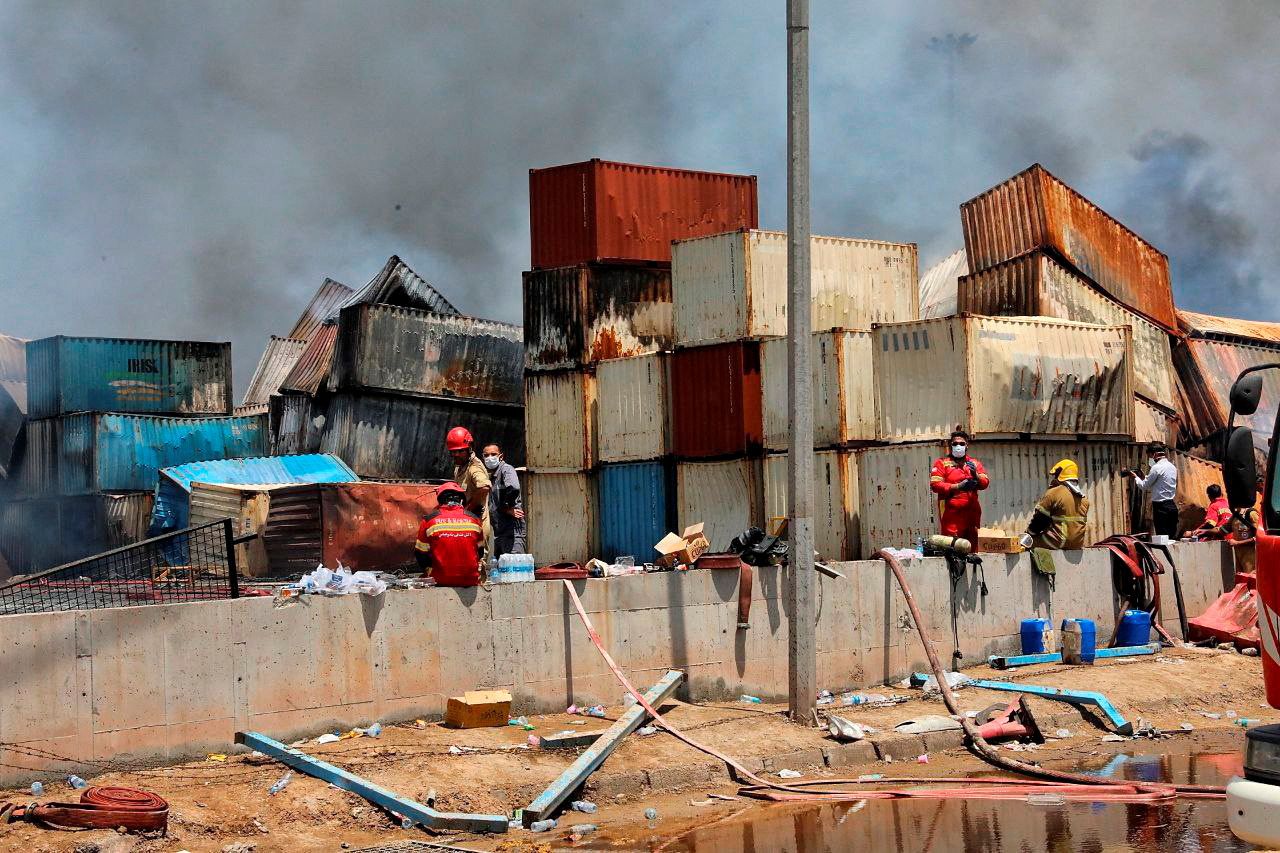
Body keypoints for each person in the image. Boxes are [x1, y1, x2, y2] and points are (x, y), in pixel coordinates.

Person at [414, 482, 485, 586]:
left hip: (440, 580)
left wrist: (430, 570)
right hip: (470, 580)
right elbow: (480, 552)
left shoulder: (429, 521)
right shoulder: (474, 519)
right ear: (461, 500)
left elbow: (420, 554)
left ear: (440, 500)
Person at [929, 428, 990, 547]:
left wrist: (976, 476)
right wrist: (957, 486)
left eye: (962, 444)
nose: (958, 446)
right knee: (953, 546)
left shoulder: (974, 463)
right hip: (951, 513)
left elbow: (985, 483)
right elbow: (935, 485)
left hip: (971, 512)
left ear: (967, 445)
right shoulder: (942, 463)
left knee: (971, 547)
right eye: (955, 443)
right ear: (950, 445)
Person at [1023, 458, 1091, 550]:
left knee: (1025, 545)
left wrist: (1028, 535)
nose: (1054, 478)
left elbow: (1039, 521)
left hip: (1057, 542)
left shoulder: (1054, 493)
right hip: (1077, 545)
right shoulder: (1084, 500)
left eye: (1056, 475)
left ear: (1060, 475)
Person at [1123, 442, 1178, 539]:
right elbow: (1159, 482)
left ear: (1155, 454)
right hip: (1172, 506)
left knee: (1162, 538)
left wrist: (1135, 477)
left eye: (1150, 456)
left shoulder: (1156, 468)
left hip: (1161, 507)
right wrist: (1143, 477)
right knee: (1171, 537)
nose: (1150, 459)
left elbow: (1144, 486)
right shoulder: (1172, 467)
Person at [446, 425, 491, 541]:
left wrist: (468, 509)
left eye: (460, 451)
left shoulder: (474, 468)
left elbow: (485, 487)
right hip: (464, 525)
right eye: (453, 451)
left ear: (469, 448)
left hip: (476, 526)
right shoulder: (460, 467)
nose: (456, 454)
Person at [482, 443, 525, 557]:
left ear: (501, 456)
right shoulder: (492, 476)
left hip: (511, 531)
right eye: (486, 455)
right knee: (501, 564)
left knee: (514, 563)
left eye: (493, 454)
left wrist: (506, 507)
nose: (490, 458)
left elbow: (513, 487)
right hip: (500, 531)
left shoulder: (506, 469)